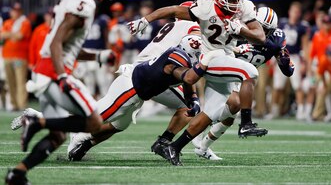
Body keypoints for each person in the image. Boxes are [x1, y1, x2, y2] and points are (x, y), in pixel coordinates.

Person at [127, 0, 269, 165]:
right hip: (211, 58)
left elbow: (260, 38)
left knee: (211, 112)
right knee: (250, 72)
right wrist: (145, 19)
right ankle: (246, 123)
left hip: (226, 57)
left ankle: (174, 147)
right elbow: (173, 10)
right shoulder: (204, 8)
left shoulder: (245, 8)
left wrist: (242, 30)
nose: (236, 3)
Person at [5, 0, 116, 184]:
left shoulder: (74, 0)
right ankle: (36, 122)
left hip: (44, 71)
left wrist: (99, 56)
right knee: (94, 122)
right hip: (54, 72)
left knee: (57, 137)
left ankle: (17, 173)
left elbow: (66, 46)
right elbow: (56, 41)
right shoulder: (84, 2)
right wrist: (63, 75)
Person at [67, 35, 225, 162]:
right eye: (197, 56)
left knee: (119, 125)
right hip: (129, 87)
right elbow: (189, 78)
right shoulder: (177, 56)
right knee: (98, 117)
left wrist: (194, 100)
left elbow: (187, 83)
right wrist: (208, 58)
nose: (199, 60)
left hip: (138, 91)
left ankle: (84, 140)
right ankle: (63, 125)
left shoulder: (181, 57)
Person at [194, 7, 295, 160]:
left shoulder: (275, 39)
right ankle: (201, 124)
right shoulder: (237, 28)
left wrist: (285, 62)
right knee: (234, 103)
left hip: (243, 76)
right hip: (226, 70)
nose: (263, 32)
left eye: (267, 30)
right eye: (261, 28)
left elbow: (288, 70)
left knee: (230, 116)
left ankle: (203, 147)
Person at [269, 2, 309, 120]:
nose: (295, 14)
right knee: (277, 86)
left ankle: (301, 111)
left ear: (300, 14)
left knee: (297, 86)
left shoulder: (302, 27)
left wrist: (304, 62)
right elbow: (275, 41)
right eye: (294, 11)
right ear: (290, 11)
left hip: (294, 57)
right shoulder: (282, 24)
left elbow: (305, 45)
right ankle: (274, 111)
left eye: (297, 12)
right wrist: (272, 57)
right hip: (281, 56)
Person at [0, 2, 32, 111]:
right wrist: (13, 35)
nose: (15, 13)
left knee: (20, 81)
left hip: (20, 57)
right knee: (10, 82)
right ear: (11, 11)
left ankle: (22, 105)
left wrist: (9, 35)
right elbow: (2, 35)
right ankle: (14, 104)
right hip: (7, 56)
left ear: (21, 12)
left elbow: (20, 36)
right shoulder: (7, 22)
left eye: (18, 11)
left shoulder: (25, 22)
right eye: (14, 10)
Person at [312, 44, 331, 122]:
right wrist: (323, 85)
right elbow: (321, 74)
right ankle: (317, 114)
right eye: (329, 55)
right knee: (321, 91)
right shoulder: (324, 60)